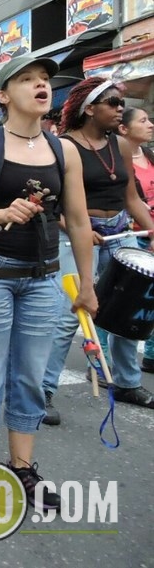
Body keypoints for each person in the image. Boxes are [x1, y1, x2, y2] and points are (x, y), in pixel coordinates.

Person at [0, 54, 97, 510]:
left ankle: (23, 469)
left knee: (31, 377)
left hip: (44, 279)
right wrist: (2, 213)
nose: (41, 86)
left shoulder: (63, 150)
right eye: (28, 80)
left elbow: (76, 220)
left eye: (45, 81)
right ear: (3, 95)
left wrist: (87, 285)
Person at [41, 78, 154, 423]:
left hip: (120, 235)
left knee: (125, 312)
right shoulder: (61, 146)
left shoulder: (119, 145)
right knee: (68, 315)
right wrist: (77, 229)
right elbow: (49, 202)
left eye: (121, 103)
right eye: (112, 103)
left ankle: (126, 383)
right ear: (89, 108)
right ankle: (43, 391)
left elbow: (130, 197)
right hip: (75, 236)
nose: (120, 108)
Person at [118, 107, 154, 374]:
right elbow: (127, 199)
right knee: (122, 303)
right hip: (132, 236)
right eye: (143, 121)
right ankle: (103, 363)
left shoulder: (150, 156)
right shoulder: (119, 160)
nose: (150, 125)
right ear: (124, 129)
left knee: (150, 302)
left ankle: (151, 356)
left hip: (151, 233)